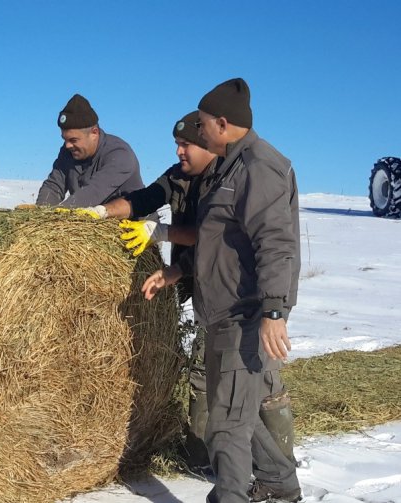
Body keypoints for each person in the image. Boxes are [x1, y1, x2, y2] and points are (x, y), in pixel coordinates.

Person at [142, 78, 301, 503]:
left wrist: (273, 310)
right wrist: (179, 272)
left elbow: (275, 242)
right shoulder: (227, 168)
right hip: (222, 311)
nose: (198, 129)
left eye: (202, 123)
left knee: (226, 423)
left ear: (224, 123)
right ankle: (280, 483)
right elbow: (223, 245)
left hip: (245, 313)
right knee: (236, 412)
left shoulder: (259, 167)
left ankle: (231, 495)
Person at [81, 111, 217, 468]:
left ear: (206, 144)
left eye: (185, 144)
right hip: (192, 276)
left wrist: (161, 233)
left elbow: (211, 234)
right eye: (177, 144)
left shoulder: (222, 182)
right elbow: (142, 199)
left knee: (223, 374)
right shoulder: (177, 177)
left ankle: (224, 458)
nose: (178, 152)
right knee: (204, 371)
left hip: (227, 285)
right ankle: (202, 452)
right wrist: (100, 213)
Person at [36, 94, 144, 208]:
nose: (67, 145)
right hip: (90, 221)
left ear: (94, 133)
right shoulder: (68, 152)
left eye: (73, 140)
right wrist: (41, 213)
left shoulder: (120, 154)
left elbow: (92, 193)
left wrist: (56, 216)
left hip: (137, 223)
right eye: (65, 139)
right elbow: (54, 186)